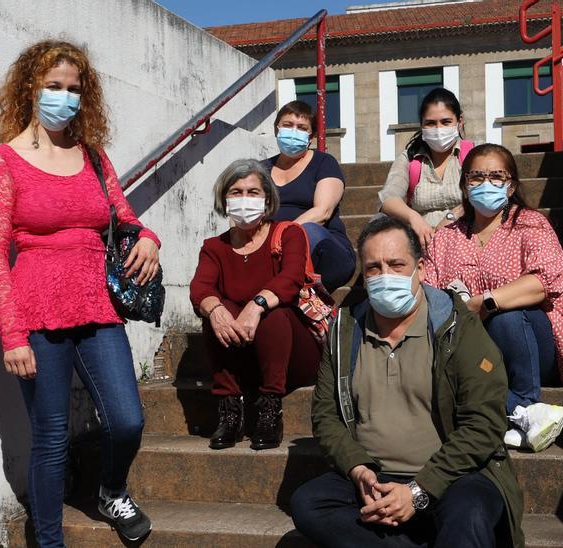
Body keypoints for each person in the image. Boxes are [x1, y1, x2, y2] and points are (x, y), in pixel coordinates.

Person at [0, 40, 159, 545]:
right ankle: (49, 540)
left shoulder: (94, 158)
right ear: (29, 90)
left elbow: (125, 218)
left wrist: (149, 237)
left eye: (74, 89)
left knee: (127, 420)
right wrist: (11, 334)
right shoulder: (3, 161)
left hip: (98, 306)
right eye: (53, 87)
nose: (64, 97)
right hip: (36, 314)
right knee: (51, 440)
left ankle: (111, 490)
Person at [291, 216, 525, 548]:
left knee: (470, 515)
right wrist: (357, 467)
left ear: (422, 268)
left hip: (451, 475)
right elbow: (325, 415)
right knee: (309, 504)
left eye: (397, 264)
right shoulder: (345, 330)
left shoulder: (458, 326)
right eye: (373, 268)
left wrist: (418, 490)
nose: (385, 275)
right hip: (373, 478)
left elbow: (484, 422)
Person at [422, 144, 563, 448]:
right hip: (473, 349)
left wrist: (486, 301)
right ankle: (523, 414)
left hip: (535, 341)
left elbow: (544, 282)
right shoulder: (446, 237)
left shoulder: (530, 224)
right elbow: (428, 293)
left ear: (511, 185)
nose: (486, 183)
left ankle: (523, 400)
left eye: (497, 176)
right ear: (464, 185)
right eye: (476, 177)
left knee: (506, 316)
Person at [190, 159, 322, 451]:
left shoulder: (288, 234)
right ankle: (229, 408)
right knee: (215, 310)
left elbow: (290, 279)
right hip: (243, 356)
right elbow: (200, 287)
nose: (244, 199)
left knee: (275, 313)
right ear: (224, 199)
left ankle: (269, 409)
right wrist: (215, 309)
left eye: (253, 192)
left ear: (267, 198)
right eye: (236, 192)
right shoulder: (214, 247)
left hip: (292, 355)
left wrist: (257, 304)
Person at [263, 101, 356, 291]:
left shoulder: (324, 163)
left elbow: (322, 212)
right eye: (288, 125)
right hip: (271, 254)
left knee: (309, 230)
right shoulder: (260, 169)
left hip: (324, 252)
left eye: (301, 128)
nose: (293, 131)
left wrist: (282, 235)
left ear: (311, 136)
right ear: (276, 129)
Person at [377, 88, 476, 249]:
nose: (438, 129)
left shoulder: (473, 155)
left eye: (446, 122)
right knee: (377, 222)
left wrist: (451, 217)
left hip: (466, 237)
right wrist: (414, 218)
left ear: (460, 121)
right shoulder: (409, 158)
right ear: (421, 125)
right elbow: (388, 199)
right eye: (430, 123)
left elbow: (483, 195)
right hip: (422, 242)